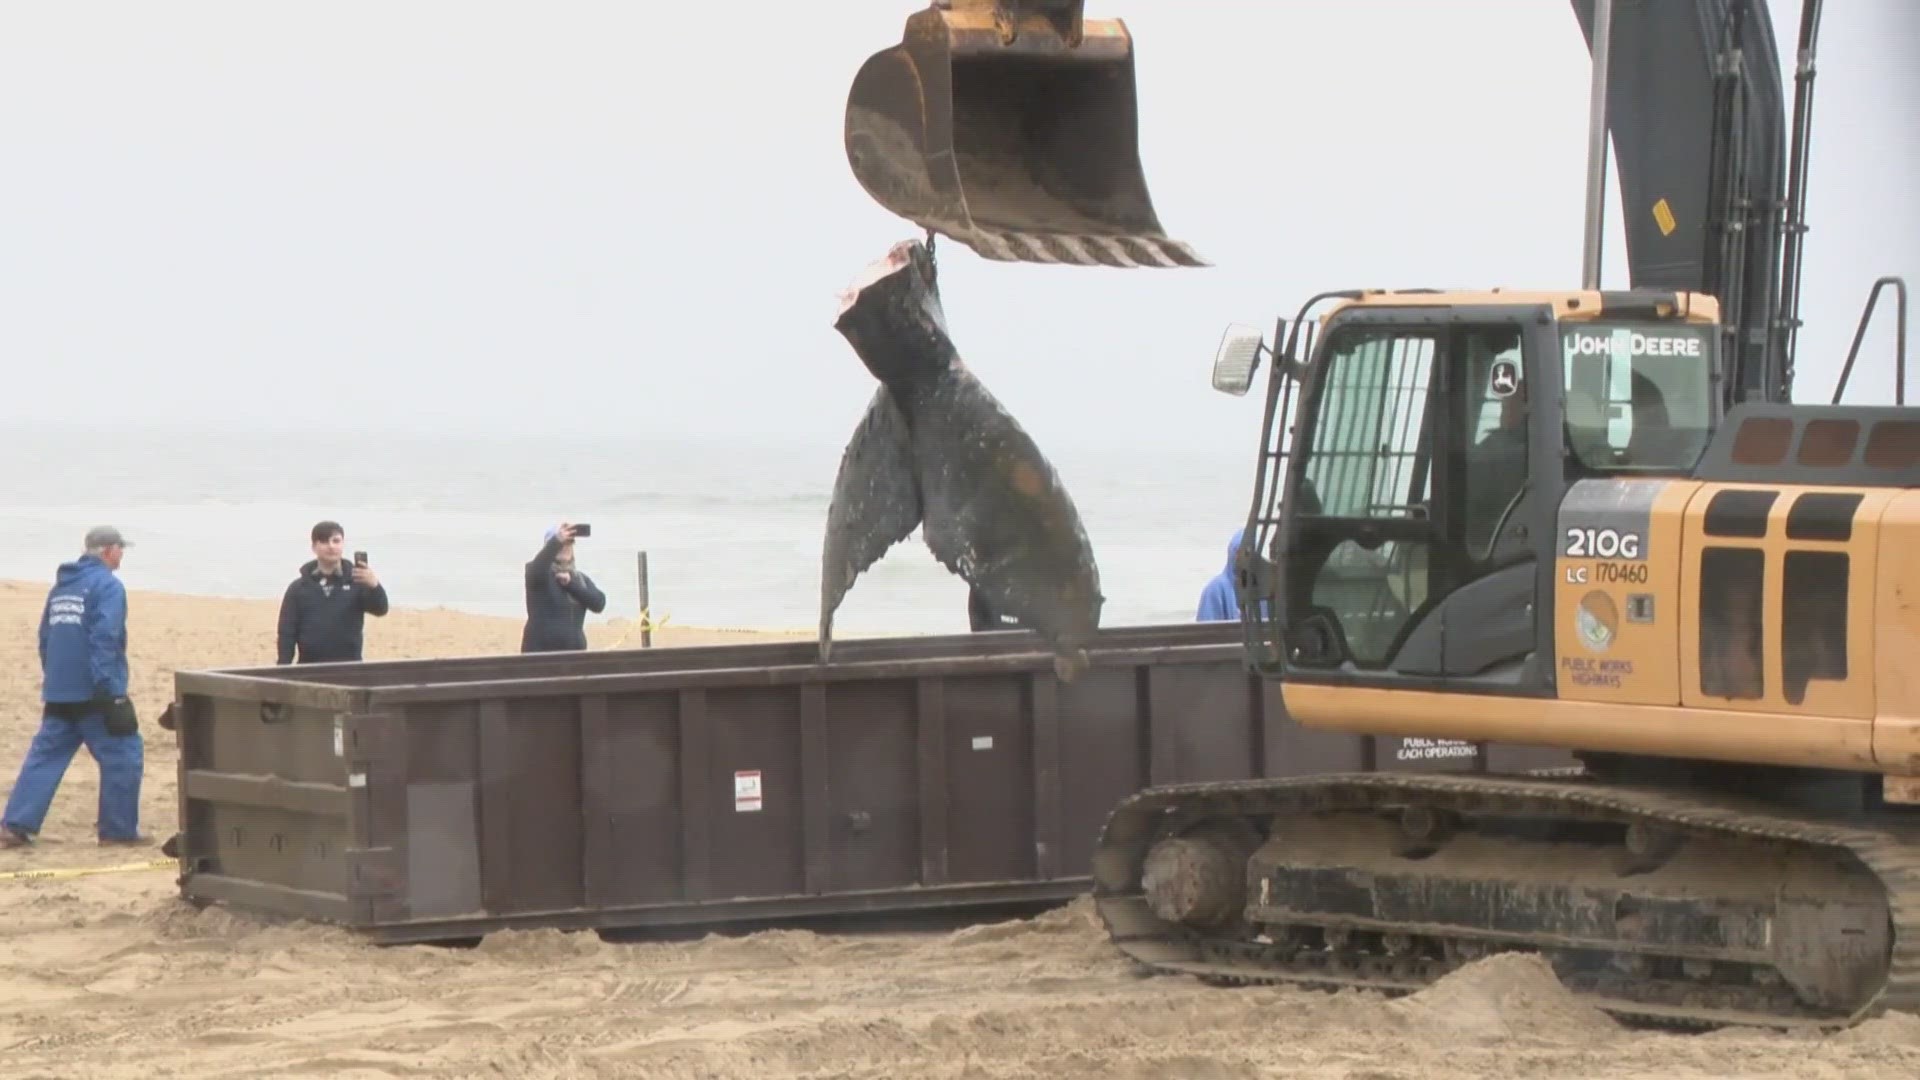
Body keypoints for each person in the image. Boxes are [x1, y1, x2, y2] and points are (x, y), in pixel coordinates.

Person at [1, 526, 147, 849]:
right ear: (108, 551)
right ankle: (118, 830)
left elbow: (45, 638)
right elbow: (105, 637)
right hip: (94, 691)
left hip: (60, 690)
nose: (121, 555)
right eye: (120, 549)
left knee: (46, 757)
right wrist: (110, 689)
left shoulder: (62, 587)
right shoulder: (108, 586)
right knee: (125, 754)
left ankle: (14, 824)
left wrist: (54, 676)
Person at [275, 520, 389, 664]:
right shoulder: (299, 588)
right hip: (308, 666)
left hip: (350, 665)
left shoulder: (358, 582)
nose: (331, 546)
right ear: (314, 547)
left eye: (336, 541)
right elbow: (287, 632)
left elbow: (380, 609)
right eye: (324, 541)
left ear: (342, 544)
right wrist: (284, 666)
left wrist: (374, 586)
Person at [522, 522, 607, 652]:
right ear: (549, 548)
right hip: (540, 656)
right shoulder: (539, 574)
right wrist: (557, 541)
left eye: (569, 544)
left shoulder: (579, 578)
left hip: (574, 657)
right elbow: (537, 569)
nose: (565, 547)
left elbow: (599, 603)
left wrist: (570, 585)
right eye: (561, 545)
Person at [1197, 527, 1252, 621]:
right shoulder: (1215, 590)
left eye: (1248, 553)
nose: (1242, 558)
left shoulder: (1263, 592)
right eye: (1238, 552)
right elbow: (1206, 631)